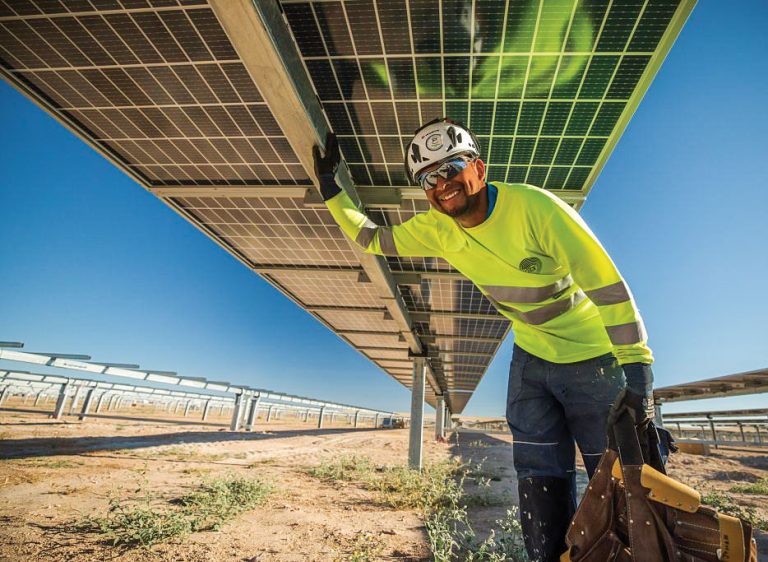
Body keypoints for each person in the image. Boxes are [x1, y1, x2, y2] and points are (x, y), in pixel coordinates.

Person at [313, 118, 658, 562]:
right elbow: (372, 238)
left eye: (450, 166)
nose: (441, 184)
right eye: (428, 179)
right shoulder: (437, 230)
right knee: (538, 475)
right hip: (532, 359)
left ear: (478, 167)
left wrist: (638, 373)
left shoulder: (536, 209)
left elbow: (608, 287)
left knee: (619, 480)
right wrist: (331, 188)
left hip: (595, 359)